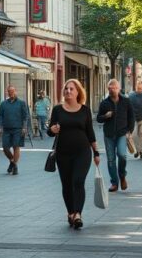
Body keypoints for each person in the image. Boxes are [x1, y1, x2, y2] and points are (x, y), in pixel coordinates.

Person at [48, 79, 100, 229]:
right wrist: (52, 130)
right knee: (66, 184)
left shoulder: (85, 110)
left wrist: (96, 152)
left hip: (82, 153)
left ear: (78, 92)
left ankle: (78, 214)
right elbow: (49, 131)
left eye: (71, 89)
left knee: (78, 181)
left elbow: (90, 133)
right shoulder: (57, 110)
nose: (68, 91)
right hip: (63, 154)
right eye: (66, 89)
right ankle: (70, 212)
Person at [97, 79, 135, 192]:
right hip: (109, 134)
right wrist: (105, 116)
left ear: (118, 89)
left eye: (113, 88)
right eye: (109, 88)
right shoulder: (104, 103)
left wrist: (129, 131)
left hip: (122, 133)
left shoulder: (126, 101)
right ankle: (114, 182)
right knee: (111, 159)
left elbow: (131, 117)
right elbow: (99, 118)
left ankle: (122, 176)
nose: (111, 90)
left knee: (122, 155)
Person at [0, 85, 29, 175]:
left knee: (16, 146)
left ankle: (15, 166)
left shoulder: (21, 103)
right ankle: (12, 161)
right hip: (6, 129)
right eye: (9, 91)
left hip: (18, 129)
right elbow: (0, 115)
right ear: (7, 92)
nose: (11, 93)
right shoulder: (3, 104)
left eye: (12, 91)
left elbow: (25, 116)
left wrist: (24, 127)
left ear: (15, 91)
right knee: (5, 147)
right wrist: (0, 126)